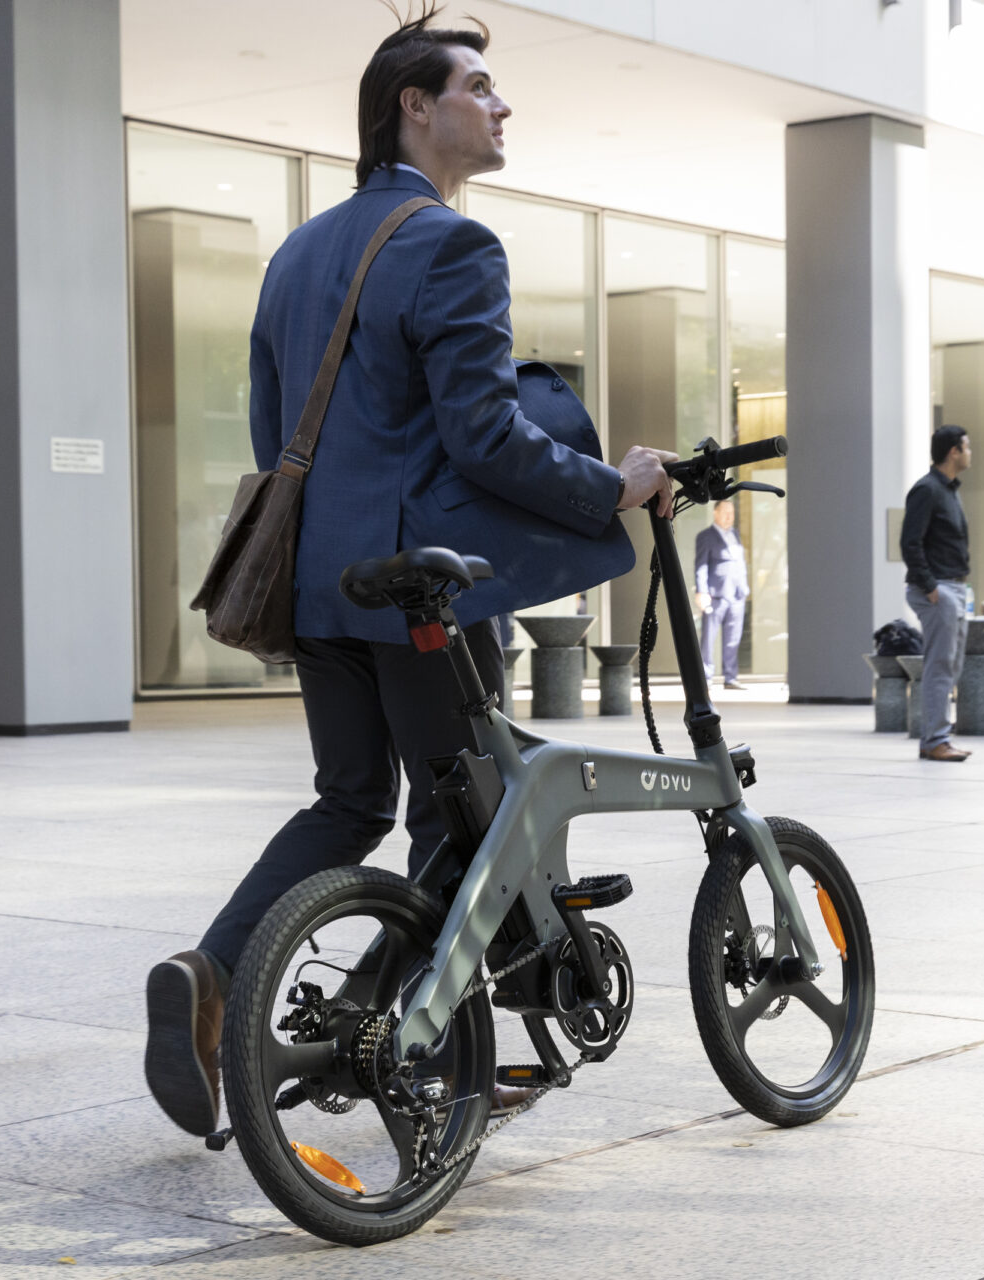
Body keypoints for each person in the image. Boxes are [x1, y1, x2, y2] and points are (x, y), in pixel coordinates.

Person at [141, 10, 678, 1140]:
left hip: (314, 578)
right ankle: (395, 1040)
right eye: (480, 85)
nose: (502, 103)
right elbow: (484, 434)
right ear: (415, 108)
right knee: (471, 818)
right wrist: (610, 483)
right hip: (419, 588)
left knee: (350, 801)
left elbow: (269, 425)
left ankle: (213, 973)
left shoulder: (300, 250)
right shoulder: (452, 244)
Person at [902, 426, 974, 762]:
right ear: (953, 452)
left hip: (954, 587)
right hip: (939, 589)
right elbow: (909, 542)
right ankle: (934, 740)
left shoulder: (950, 490)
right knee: (939, 666)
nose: (970, 453)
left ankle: (939, 736)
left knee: (949, 666)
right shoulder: (927, 490)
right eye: (967, 447)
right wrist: (930, 588)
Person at [693, 499, 749, 689]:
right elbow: (701, 566)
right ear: (716, 513)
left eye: (732, 513)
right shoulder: (706, 536)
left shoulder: (735, 535)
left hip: (737, 595)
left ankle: (730, 677)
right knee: (708, 639)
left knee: (733, 638)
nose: (729, 517)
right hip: (716, 595)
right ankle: (705, 678)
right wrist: (702, 591)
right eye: (725, 512)